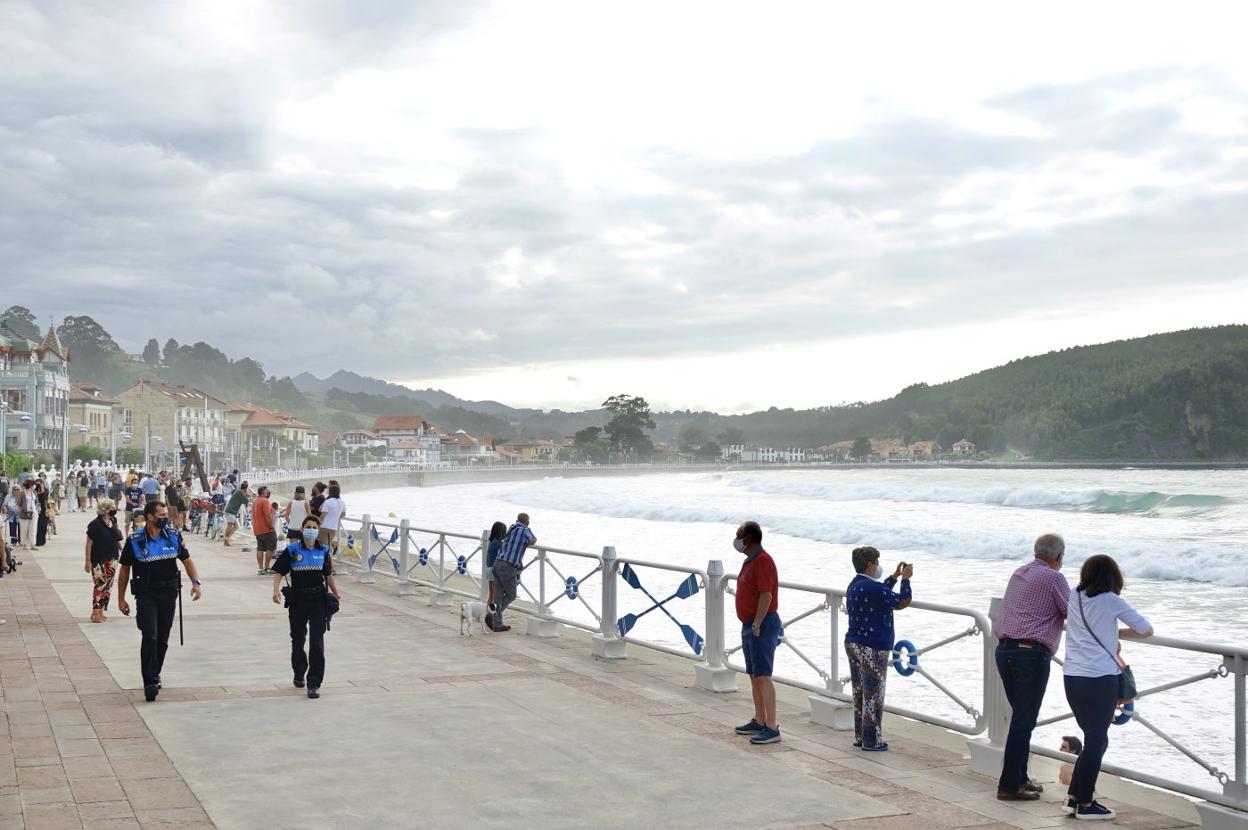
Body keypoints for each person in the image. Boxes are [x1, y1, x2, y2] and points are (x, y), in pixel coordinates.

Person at [1062, 554, 1152, 820]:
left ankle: (1073, 799)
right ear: (1113, 577)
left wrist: (1108, 633)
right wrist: (1115, 633)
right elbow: (1146, 629)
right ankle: (1085, 804)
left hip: (1072, 677)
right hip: (1100, 679)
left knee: (1093, 739)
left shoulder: (1073, 595)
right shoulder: (1111, 600)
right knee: (1097, 739)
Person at [994, 533, 1071, 801]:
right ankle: (1009, 785)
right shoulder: (1054, 578)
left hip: (1004, 650)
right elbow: (1072, 612)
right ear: (1058, 556)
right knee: (1023, 721)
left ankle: (1021, 777)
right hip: (1030, 654)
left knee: (1021, 719)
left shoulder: (1019, 572)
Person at [116, 500, 203, 701]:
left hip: (168, 593)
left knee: (162, 638)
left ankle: (155, 672)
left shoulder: (173, 536)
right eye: (161, 516)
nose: (165, 518)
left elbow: (187, 560)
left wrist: (196, 583)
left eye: (166, 515)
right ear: (150, 517)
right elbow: (124, 570)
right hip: (146, 594)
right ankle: (150, 682)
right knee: (150, 635)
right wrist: (121, 599)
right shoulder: (135, 540)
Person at [844, 546, 912, 752]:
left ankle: (861, 736)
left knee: (859, 691)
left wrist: (894, 576)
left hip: (853, 643)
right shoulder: (873, 588)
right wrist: (906, 580)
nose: (878, 566)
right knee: (873, 694)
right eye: (877, 562)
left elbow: (880, 592)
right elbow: (901, 601)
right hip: (873, 646)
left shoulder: (855, 585)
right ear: (870, 565)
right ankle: (872, 740)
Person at [271, 515, 340, 699]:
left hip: (318, 600)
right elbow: (279, 571)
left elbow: (328, 574)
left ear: (318, 530)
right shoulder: (293, 550)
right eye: (308, 526)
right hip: (298, 601)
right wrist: (275, 591)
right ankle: (299, 671)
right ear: (302, 529)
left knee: (317, 640)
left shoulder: (324, 550)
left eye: (314, 527)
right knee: (298, 639)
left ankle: (314, 683)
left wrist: (336, 592)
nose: (311, 529)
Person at [732, 521, 783, 745]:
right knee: (754, 675)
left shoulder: (763, 561)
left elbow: (766, 595)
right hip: (749, 624)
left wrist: (757, 623)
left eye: (739, 536)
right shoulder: (749, 561)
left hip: (762, 624)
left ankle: (772, 726)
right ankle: (759, 719)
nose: (736, 540)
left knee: (763, 675)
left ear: (749, 538)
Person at [490, 513, 536, 632]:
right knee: (511, 595)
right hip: (508, 566)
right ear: (528, 522)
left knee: (498, 595)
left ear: (517, 520)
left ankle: (496, 620)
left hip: (497, 563)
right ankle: (494, 616)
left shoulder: (511, 528)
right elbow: (532, 540)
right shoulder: (525, 530)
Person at [84, 498, 124, 623]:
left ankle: (99, 611)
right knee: (100, 585)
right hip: (98, 559)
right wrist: (87, 561)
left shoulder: (113, 520)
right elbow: (89, 544)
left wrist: (124, 551)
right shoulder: (95, 524)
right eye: (112, 507)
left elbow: (118, 539)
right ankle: (96, 613)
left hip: (112, 558)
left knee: (108, 586)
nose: (114, 509)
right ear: (105, 510)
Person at [252, 485, 277, 574]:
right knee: (270, 548)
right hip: (266, 528)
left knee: (260, 548)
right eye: (267, 491)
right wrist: (271, 526)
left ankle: (260, 568)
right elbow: (267, 515)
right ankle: (267, 567)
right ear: (263, 492)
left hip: (257, 528)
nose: (268, 492)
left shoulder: (255, 501)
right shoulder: (265, 501)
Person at [484, 521, 506, 620]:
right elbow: (503, 554)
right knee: (496, 595)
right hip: (494, 570)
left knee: (491, 595)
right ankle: (492, 616)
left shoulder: (492, 541)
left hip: (488, 569)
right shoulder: (498, 543)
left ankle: (486, 613)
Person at [317, 484, 345, 553]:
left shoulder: (327, 502)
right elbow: (343, 514)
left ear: (330, 492)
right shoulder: (342, 502)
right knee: (327, 544)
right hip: (334, 527)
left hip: (324, 526)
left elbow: (322, 515)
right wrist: (335, 517)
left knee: (321, 545)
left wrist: (318, 524)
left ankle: (329, 555)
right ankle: (332, 548)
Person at [222, 481, 249, 547]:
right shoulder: (240, 493)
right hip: (231, 511)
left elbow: (245, 501)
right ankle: (226, 538)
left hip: (231, 511)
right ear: (246, 488)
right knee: (230, 525)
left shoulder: (238, 492)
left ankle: (226, 539)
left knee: (235, 526)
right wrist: (248, 494)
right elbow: (246, 501)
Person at [17, 480, 38, 552]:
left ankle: (33, 544)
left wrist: (37, 508)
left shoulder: (34, 492)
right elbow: (18, 503)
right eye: (33, 485)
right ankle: (24, 544)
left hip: (33, 513)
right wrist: (20, 510)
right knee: (24, 529)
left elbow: (36, 502)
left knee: (33, 529)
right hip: (24, 513)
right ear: (30, 485)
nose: (34, 486)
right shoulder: (22, 493)